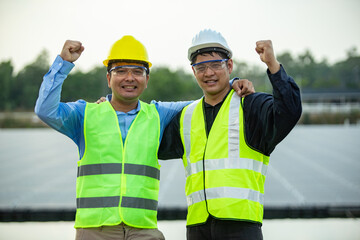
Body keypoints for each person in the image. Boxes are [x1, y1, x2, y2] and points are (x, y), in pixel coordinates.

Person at [35, 35, 255, 240]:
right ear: (108, 78)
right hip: (95, 231)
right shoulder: (85, 115)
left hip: (143, 230)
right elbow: (45, 109)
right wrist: (63, 63)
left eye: (138, 72)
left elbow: (208, 99)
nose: (130, 78)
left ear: (147, 79)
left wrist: (232, 83)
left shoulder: (158, 115)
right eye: (121, 71)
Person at [158, 29, 302, 240]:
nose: (209, 73)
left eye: (216, 65)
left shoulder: (251, 106)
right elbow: (148, 139)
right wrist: (110, 106)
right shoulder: (185, 117)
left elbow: (289, 111)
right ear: (193, 71)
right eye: (201, 67)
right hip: (198, 229)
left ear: (230, 65)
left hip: (241, 228)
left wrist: (273, 65)